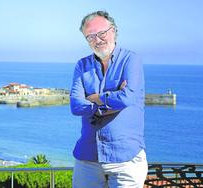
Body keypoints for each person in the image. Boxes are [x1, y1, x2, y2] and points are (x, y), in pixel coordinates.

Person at [70, 10, 148, 187]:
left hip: (125, 158)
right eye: (90, 37)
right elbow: (75, 106)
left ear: (114, 31)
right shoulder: (82, 65)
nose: (97, 40)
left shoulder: (131, 60)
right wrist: (112, 101)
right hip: (88, 157)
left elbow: (128, 97)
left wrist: (95, 98)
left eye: (101, 33)